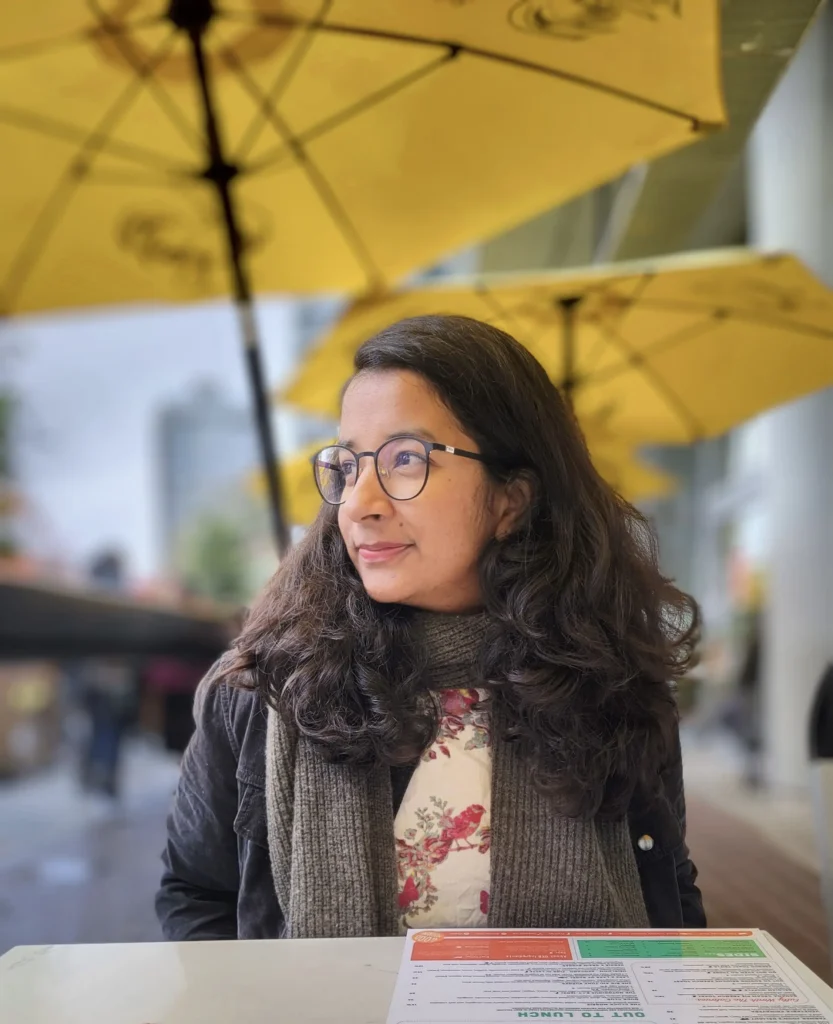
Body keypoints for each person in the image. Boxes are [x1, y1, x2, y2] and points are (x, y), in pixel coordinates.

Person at [156, 315, 704, 940]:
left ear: (511, 500)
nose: (360, 502)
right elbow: (195, 895)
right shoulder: (263, 693)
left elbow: (671, 893)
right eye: (348, 465)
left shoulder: (613, 686)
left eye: (406, 460)